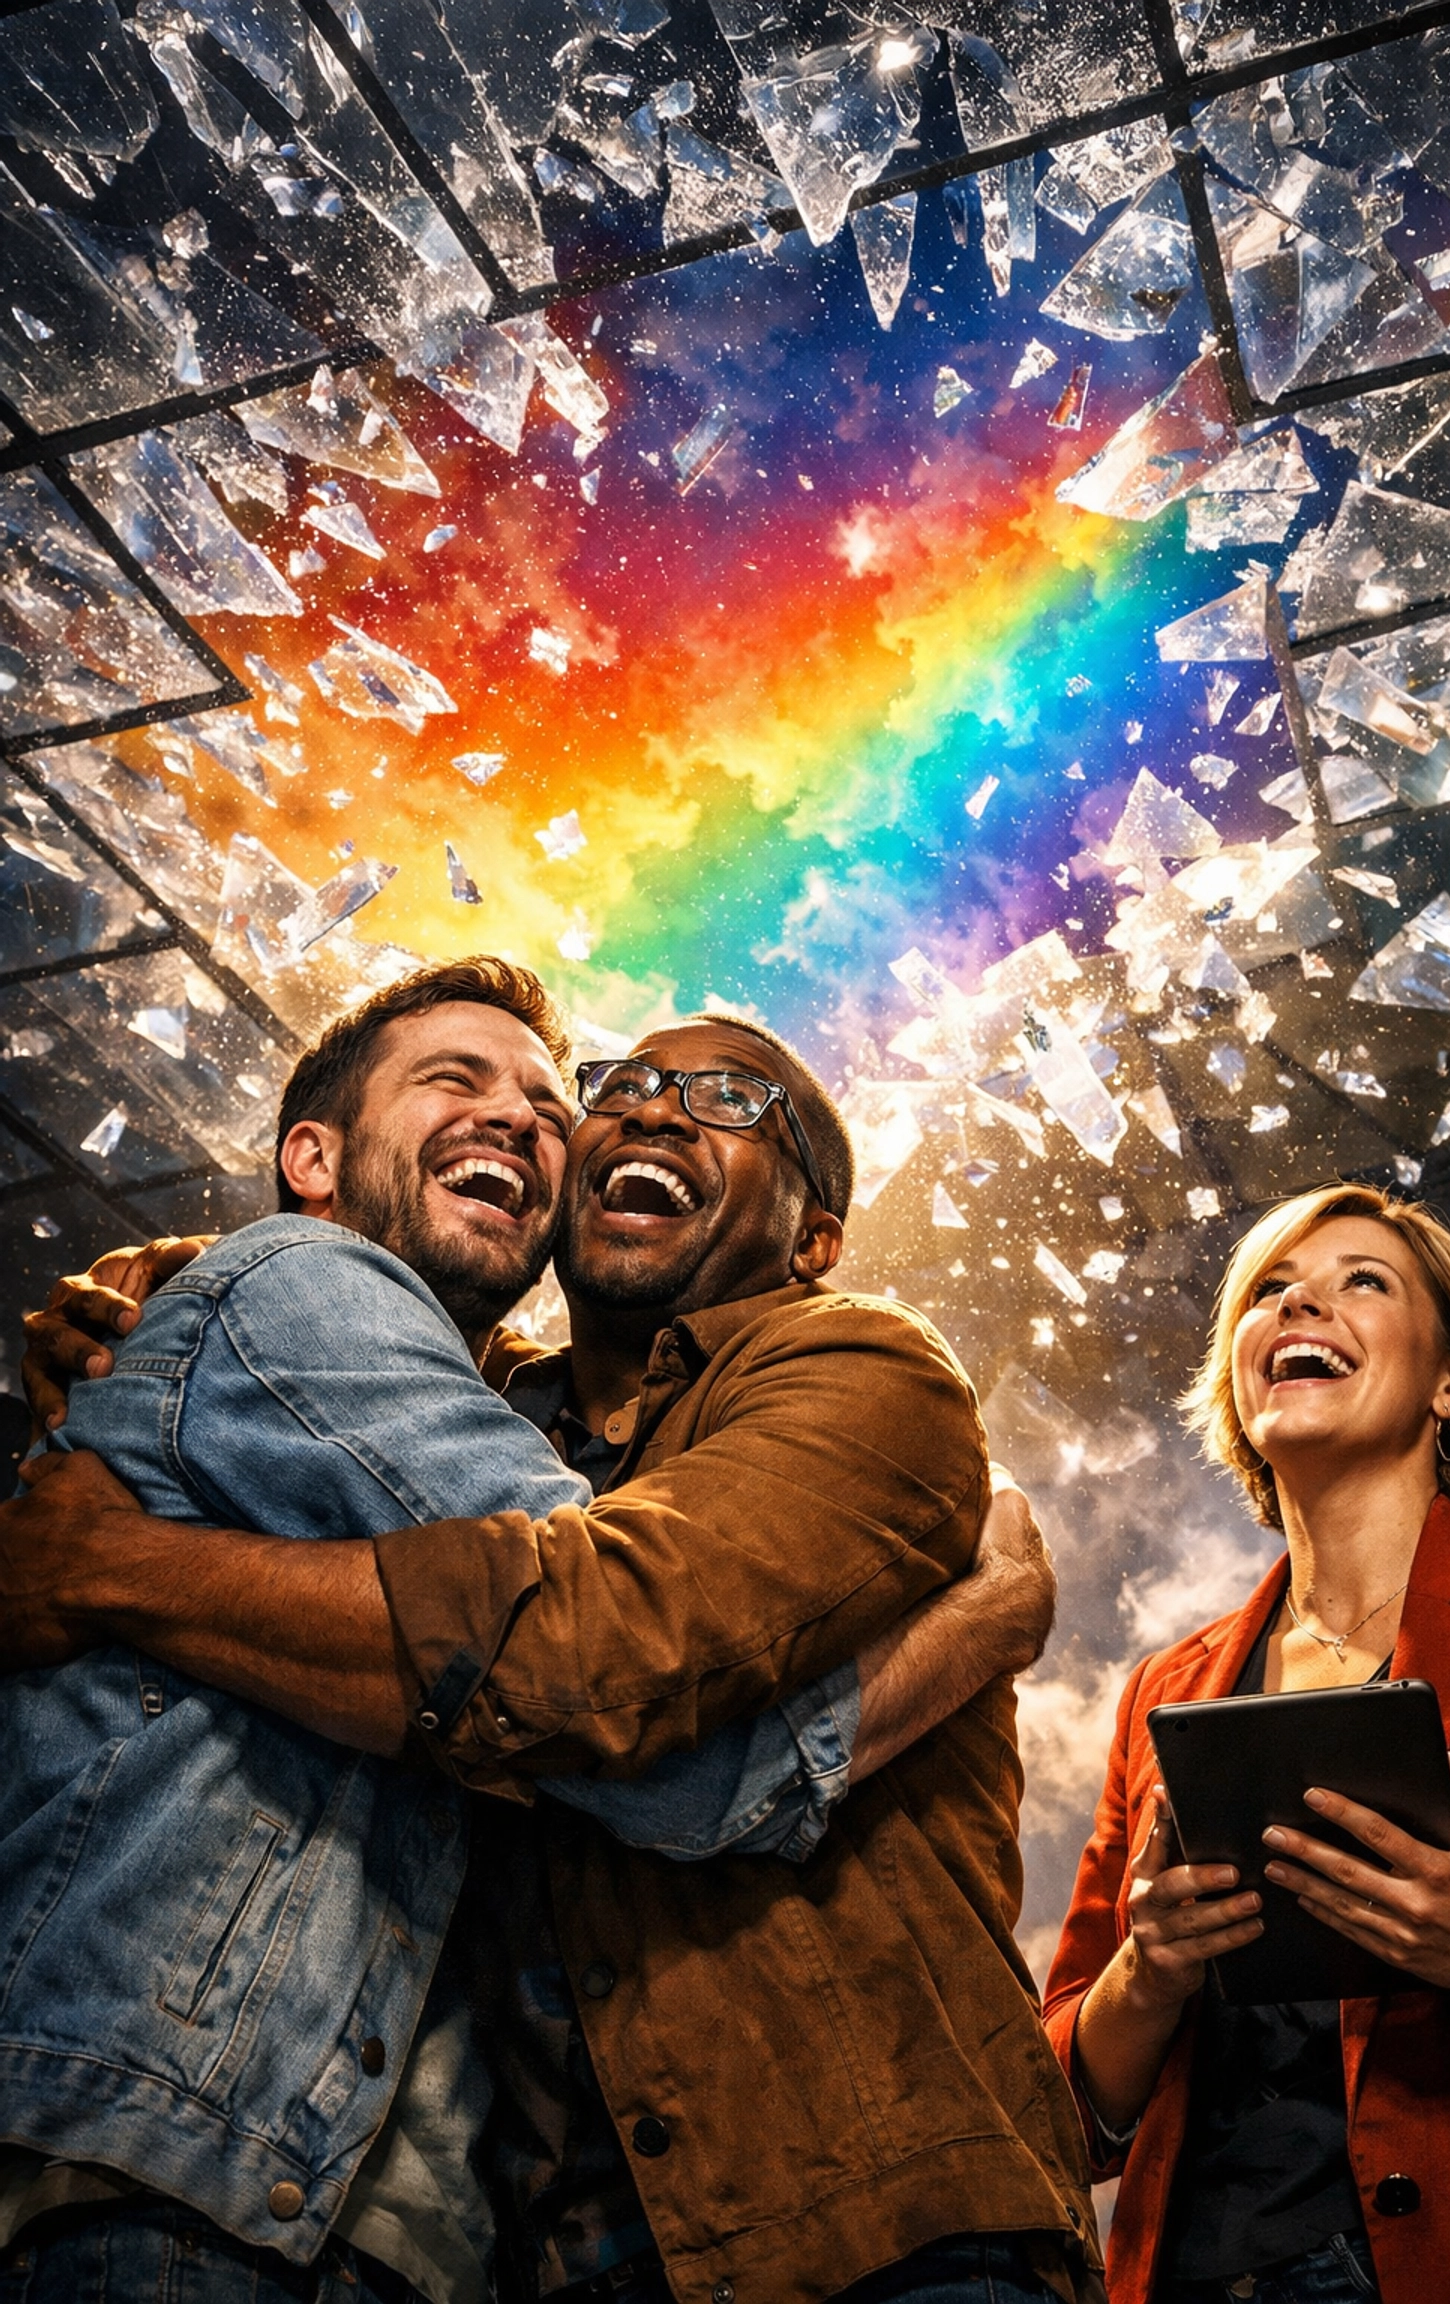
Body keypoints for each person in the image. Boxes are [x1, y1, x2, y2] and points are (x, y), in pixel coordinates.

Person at [2, 975, 1099, 2304]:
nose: (651, 1114)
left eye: (730, 1100)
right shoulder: (473, 1401)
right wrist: (222, 1277)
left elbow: (594, 1651)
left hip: (875, 2223)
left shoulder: (861, 1369)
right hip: (546, 2246)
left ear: (814, 1238)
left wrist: (129, 1570)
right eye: (620, 1091)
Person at [1042, 1182, 1450, 2304]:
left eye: (1364, 1282)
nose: (1300, 1303)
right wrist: (1151, 1969)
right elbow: (1062, 2119)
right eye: (1269, 1291)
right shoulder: (1164, 1693)